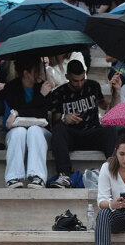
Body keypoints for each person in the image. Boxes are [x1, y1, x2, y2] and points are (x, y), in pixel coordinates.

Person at [48, 60, 115, 189]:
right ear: (67, 77)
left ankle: (113, 171)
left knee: (110, 131)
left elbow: (105, 106)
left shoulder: (93, 86)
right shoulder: (59, 92)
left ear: (85, 74)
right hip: (71, 135)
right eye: (75, 81)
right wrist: (64, 117)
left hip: (92, 132)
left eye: (81, 79)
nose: (79, 84)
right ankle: (64, 174)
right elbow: (54, 121)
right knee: (58, 129)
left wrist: (114, 92)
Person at [2, 58, 53, 189]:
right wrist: (39, 98)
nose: (41, 73)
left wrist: (17, 112)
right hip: (17, 131)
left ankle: (38, 177)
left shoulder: (44, 87)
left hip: (41, 131)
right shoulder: (11, 87)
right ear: (26, 73)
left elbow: (41, 113)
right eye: (37, 70)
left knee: (34, 130)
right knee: (19, 132)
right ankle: (13, 178)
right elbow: (19, 107)